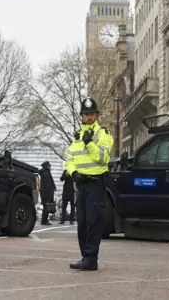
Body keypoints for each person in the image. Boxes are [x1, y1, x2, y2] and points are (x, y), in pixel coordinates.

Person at [64, 97, 114, 271]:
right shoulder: (77, 136)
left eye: (92, 114)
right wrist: (73, 173)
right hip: (81, 184)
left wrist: (89, 143)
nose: (89, 117)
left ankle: (91, 258)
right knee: (83, 223)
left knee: (94, 221)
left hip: (95, 184)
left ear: (97, 115)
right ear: (82, 116)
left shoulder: (103, 134)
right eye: (86, 114)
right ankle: (86, 257)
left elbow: (102, 158)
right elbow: (69, 158)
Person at [38, 161, 56, 225]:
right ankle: (44, 221)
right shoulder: (46, 174)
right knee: (46, 208)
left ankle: (44, 221)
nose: (50, 167)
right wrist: (51, 196)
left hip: (44, 193)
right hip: (46, 194)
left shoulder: (45, 173)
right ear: (47, 166)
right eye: (49, 166)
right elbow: (48, 186)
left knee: (45, 207)